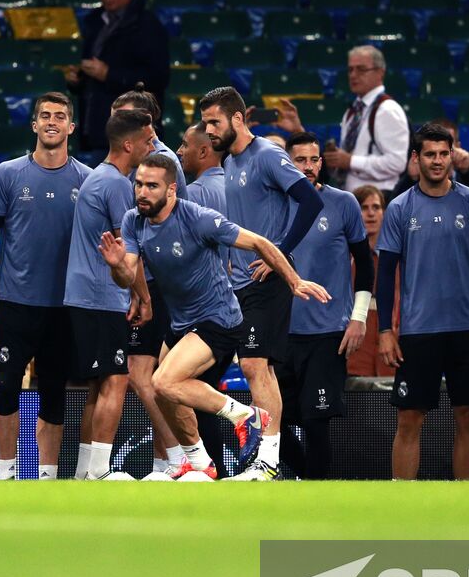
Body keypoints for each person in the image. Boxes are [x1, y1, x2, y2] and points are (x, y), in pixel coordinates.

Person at [98, 155, 330, 479]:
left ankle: (245, 416)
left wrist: (294, 280)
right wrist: (116, 264)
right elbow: (127, 275)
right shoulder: (134, 221)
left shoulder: (198, 218)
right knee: (159, 390)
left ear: (171, 190)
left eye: (152, 186)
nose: (142, 192)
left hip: (219, 317)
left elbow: (259, 242)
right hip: (181, 321)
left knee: (164, 380)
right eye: (138, 184)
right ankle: (198, 462)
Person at [202, 85, 325, 479]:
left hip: (264, 279)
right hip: (239, 282)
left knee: (255, 365)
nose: (209, 131)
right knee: (260, 368)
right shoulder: (232, 162)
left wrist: (280, 255)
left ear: (238, 119)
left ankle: (267, 460)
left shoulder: (268, 155)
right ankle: (266, 456)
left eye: (214, 122)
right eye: (205, 123)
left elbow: (312, 201)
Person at [0, 92, 92, 479]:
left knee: (54, 392)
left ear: (71, 127)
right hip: (17, 302)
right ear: (34, 124)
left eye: (60, 116)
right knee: (5, 387)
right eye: (44, 116)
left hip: (64, 306)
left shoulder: (87, 180)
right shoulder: (7, 173)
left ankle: (47, 478)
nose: (52, 122)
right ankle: (5, 474)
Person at [377, 123, 469, 480]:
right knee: (410, 417)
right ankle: (402, 501)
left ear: (452, 155)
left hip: (466, 328)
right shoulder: (399, 208)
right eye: (430, 154)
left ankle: (466, 498)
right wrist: (385, 328)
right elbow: (385, 274)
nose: (437, 161)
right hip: (418, 330)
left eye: (444, 153)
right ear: (416, 158)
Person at [64, 109, 156, 480]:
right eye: (148, 140)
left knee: (100, 384)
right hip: (99, 296)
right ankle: (100, 471)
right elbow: (127, 250)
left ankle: (87, 472)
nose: (152, 146)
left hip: (87, 296)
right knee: (116, 380)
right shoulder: (117, 184)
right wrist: (144, 298)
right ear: (129, 144)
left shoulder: (99, 178)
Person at [276, 131, 374, 479]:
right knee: (271, 420)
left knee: (317, 423)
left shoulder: (344, 203)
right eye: (300, 160)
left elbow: (364, 263)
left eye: (314, 159)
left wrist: (358, 318)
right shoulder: (273, 205)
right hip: (281, 332)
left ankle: (316, 494)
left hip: (327, 332)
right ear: (286, 163)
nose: (308, 167)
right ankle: (309, 479)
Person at [109, 90, 191, 477]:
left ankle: (183, 456)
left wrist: (144, 292)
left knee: (145, 376)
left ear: (143, 126)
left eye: (121, 118)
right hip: (152, 280)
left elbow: (175, 223)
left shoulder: (161, 163)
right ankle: (166, 462)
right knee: (157, 375)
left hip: (159, 283)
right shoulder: (139, 162)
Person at [65, 0, 170, 152]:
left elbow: (158, 77)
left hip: (134, 134)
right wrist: (78, 79)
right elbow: (92, 72)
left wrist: (109, 74)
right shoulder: (95, 23)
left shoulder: (147, 25)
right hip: (96, 130)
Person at [275, 45, 409, 193]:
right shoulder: (352, 112)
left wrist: (350, 161)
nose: (353, 75)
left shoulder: (388, 110)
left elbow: (397, 163)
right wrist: (335, 160)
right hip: (353, 197)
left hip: (378, 200)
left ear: (380, 73)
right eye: (350, 69)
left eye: (361, 69)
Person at [392, 119, 469, 210]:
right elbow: (392, 209)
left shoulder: (466, 180)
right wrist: (410, 178)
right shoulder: (415, 182)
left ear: (457, 147)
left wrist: (468, 172)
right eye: (431, 152)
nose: (438, 160)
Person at [346, 184, 392, 378]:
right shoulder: (342, 257)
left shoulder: (397, 258)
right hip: (353, 353)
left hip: (392, 354)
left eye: (376, 207)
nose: (371, 214)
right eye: (364, 208)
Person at [178, 122, 225, 210]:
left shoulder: (191, 194)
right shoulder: (235, 187)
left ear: (202, 152)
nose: (179, 151)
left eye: (185, 145)